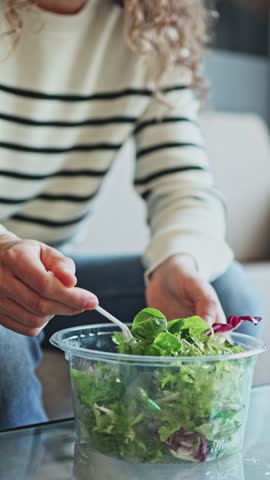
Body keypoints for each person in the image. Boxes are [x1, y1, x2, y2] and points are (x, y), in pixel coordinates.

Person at [0, 0, 262, 430]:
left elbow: (181, 183)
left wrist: (179, 260)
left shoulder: (152, 31)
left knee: (226, 292)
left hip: (60, 278)